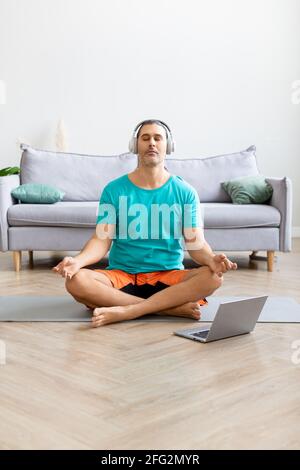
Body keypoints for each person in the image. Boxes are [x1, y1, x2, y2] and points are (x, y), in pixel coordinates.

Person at [53, 119, 237, 327]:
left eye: (158, 138)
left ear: (168, 145)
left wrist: (212, 259)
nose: (152, 143)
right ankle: (168, 308)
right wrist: (78, 262)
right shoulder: (114, 190)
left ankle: (128, 311)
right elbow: (101, 240)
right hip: (122, 276)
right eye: (145, 138)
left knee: (212, 278)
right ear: (135, 145)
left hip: (168, 278)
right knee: (76, 281)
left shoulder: (185, 192)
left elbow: (196, 245)